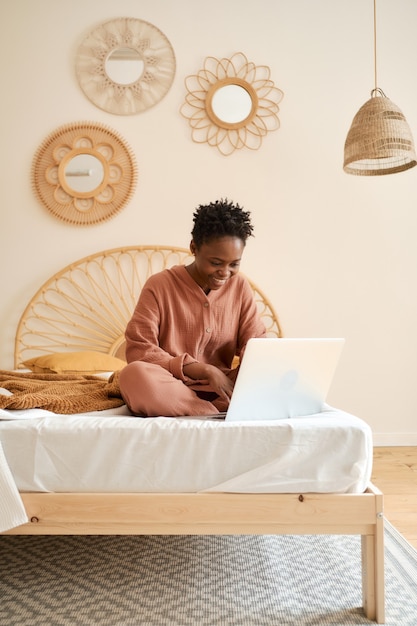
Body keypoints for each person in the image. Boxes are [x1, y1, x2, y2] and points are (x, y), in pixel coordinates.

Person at [119, 199, 266, 417]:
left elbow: (256, 344)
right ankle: (212, 413)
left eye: (234, 264)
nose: (225, 273)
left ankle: (220, 407)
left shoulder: (240, 287)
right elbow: (140, 349)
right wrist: (203, 369)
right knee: (133, 375)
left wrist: (257, 371)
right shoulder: (159, 285)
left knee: (279, 374)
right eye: (216, 263)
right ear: (194, 248)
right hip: (169, 385)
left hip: (224, 388)